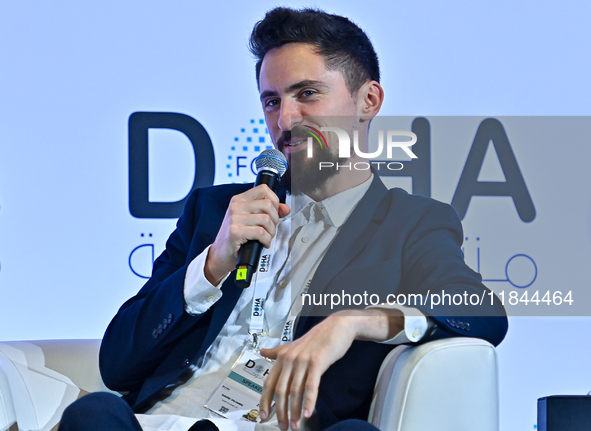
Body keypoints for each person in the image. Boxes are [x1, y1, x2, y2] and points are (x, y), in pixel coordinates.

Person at [59, 6, 508, 431]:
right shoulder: (213, 211)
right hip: (167, 422)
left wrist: (352, 322)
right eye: (271, 101)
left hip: (290, 422)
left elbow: (481, 311)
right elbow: (116, 364)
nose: (285, 119)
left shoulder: (410, 222)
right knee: (95, 412)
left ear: (367, 100)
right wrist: (211, 265)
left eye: (307, 93)